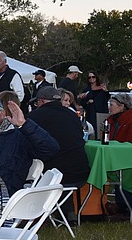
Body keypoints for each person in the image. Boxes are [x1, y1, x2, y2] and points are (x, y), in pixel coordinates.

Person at [0, 96, 59, 195]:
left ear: (2, 113)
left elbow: (51, 149)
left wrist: (24, 124)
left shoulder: (19, 136)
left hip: (7, 194)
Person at [28, 86, 90, 220]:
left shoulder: (35, 116)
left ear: (41, 102)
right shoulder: (73, 116)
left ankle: (29, 214)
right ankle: (69, 212)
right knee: (60, 163)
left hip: (54, 176)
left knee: (38, 166)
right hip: (80, 171)